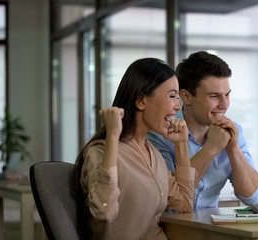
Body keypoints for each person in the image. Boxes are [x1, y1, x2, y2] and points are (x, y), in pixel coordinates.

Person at [73, 58, 196, 240]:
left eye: (177, 98)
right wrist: (113, 135)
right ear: (140, 101)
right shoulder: (100, 151)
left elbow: (185, 202)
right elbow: (104, 210)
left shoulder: (154, 154)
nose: (178, 106)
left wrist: (181, 144)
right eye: (172, 96)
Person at [147, 51, 258, 209]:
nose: (224, 105)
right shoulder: (160, 133)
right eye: (214, 96)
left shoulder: (233, 131)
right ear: (187, 97)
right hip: (169, 228)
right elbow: (168, 195)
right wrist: (211, 148)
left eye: (227, 95)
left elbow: (254, 198)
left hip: (210, 229)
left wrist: (234, 149)